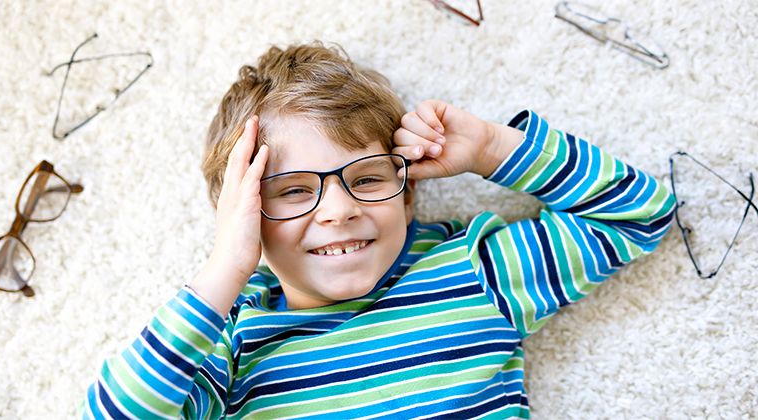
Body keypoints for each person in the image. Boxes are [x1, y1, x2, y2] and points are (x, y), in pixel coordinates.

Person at [82, 41, 676, 419]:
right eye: (292, 191)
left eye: (366, 179)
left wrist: (492, 148)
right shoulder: (227, 344)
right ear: (245, 218)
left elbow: (640, 214)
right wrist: (223, 271)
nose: (337, 210)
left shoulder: (469, 269)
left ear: (408, 187)